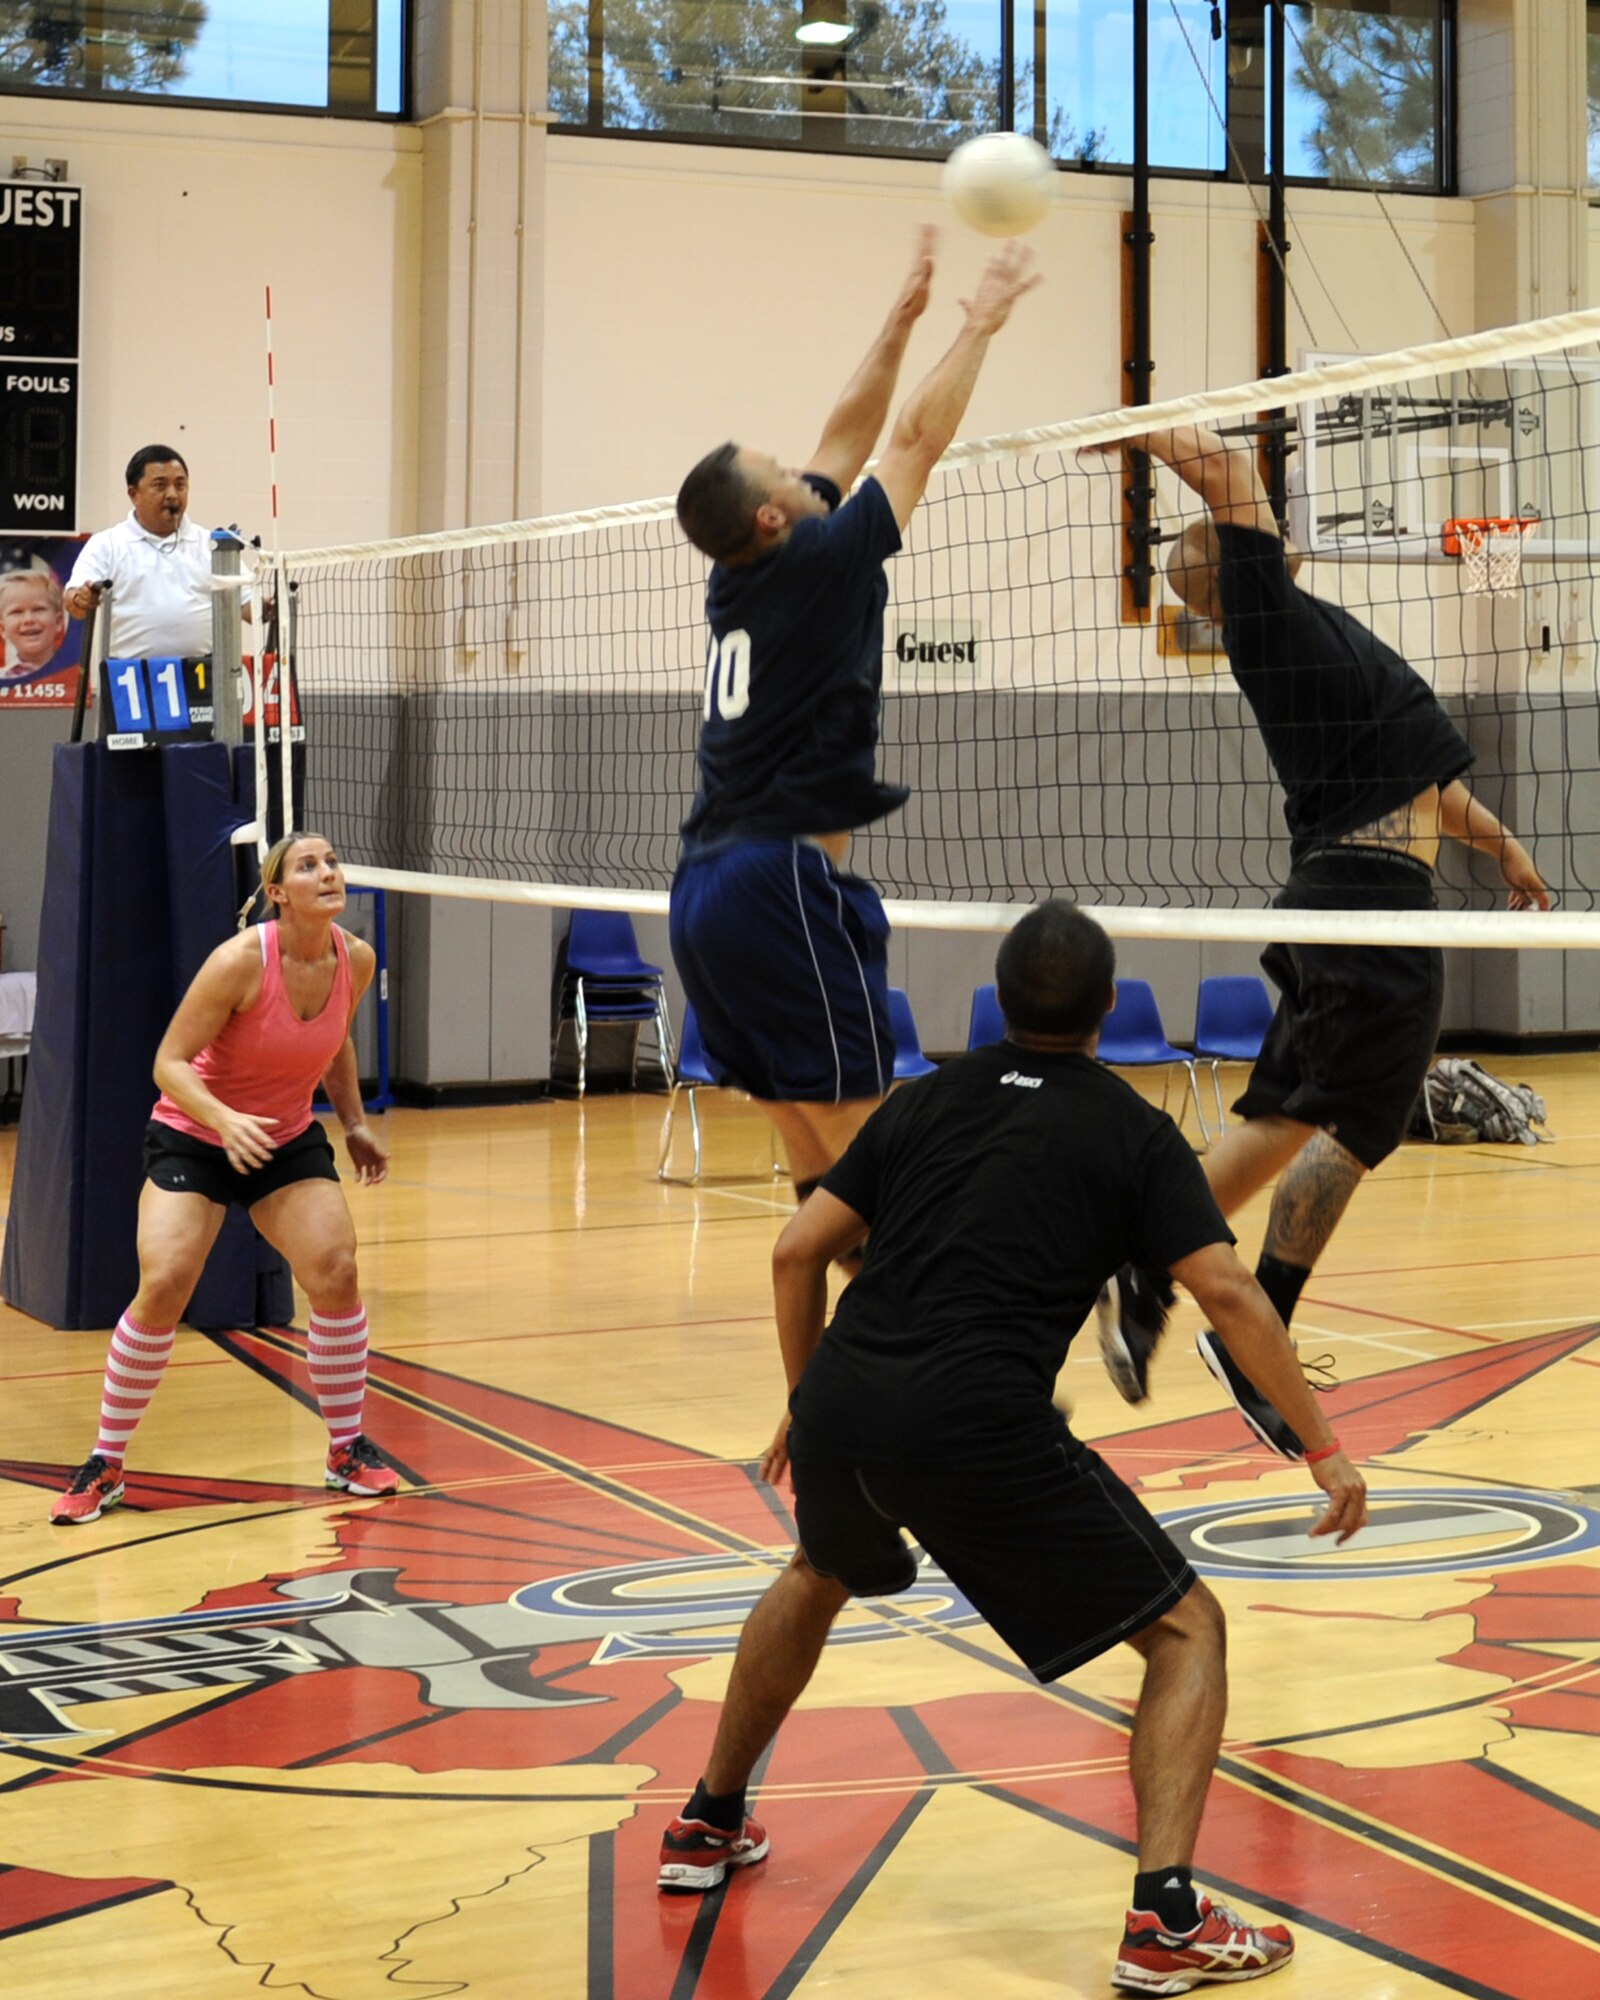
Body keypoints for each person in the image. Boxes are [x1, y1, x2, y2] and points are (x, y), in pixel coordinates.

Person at [658, 902, 1367, 1995]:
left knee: (817, 1569)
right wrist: (1320, 1446)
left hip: (848, 1394)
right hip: (975, 1415)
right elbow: (1224, 1286)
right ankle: (1166, 1916)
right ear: (1102, 1009)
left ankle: (705, 1820)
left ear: (998, 994)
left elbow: (797, 1249)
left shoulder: (924, 1098)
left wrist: (809, 1403)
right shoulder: (1132, 1130)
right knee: (1187, 1631)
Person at [1094, 425, 1550, 1453]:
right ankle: (1260, 1324)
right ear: (1230, 560)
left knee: (1289, 1113)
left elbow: (1429, 781)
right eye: (1244, 527)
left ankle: (1140, 1261)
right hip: (1364, 897)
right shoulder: (1259, 611)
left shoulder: (1315, 624)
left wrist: (1506, 847)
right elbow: (1221, 467)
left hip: (1354, 895)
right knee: (1355, 1117)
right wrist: (1134, 433)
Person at [670, 230, 1039, 1206]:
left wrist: (900, 320)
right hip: (776, 883)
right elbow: (912, 440)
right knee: (874, 1161)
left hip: (708, 890)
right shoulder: (823, 559)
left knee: (817, 1168)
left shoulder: (742, 574)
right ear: (770, 516)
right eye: (778, 471)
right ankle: (916, 1344)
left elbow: (843, 438)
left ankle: (831, 1358)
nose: (803, 466)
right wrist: (982, 322)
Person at [50, 832, 399, 1525]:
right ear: (278, 893)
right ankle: (106, 1462)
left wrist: (355, 1124)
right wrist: (224, 1119)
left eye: (332, 863)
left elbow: (337, 1041)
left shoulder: (353, 959)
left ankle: (345, 1450)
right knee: (167, 1281)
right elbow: (169, 1062)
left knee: (336, 1268)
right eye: (310, 866)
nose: (328, 873)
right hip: (195, 1134)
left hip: (285, 1137)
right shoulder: (239, 960)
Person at [66, 445, 233, 661]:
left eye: (180, 485)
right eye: (160, 485)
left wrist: (269, 607)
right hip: (129, 679)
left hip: (201, 679)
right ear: (134, 494)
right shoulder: (106, 544)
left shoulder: (211, 544)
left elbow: (248, 603)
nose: (173, 495)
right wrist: (81, 599)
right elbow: (74, 603)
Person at [0, 566, 70, 676]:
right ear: (3, 629)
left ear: (58, 621)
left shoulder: (74, 675)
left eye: (38, 609)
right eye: (17, 612)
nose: (29, 619)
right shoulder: (3, 679)